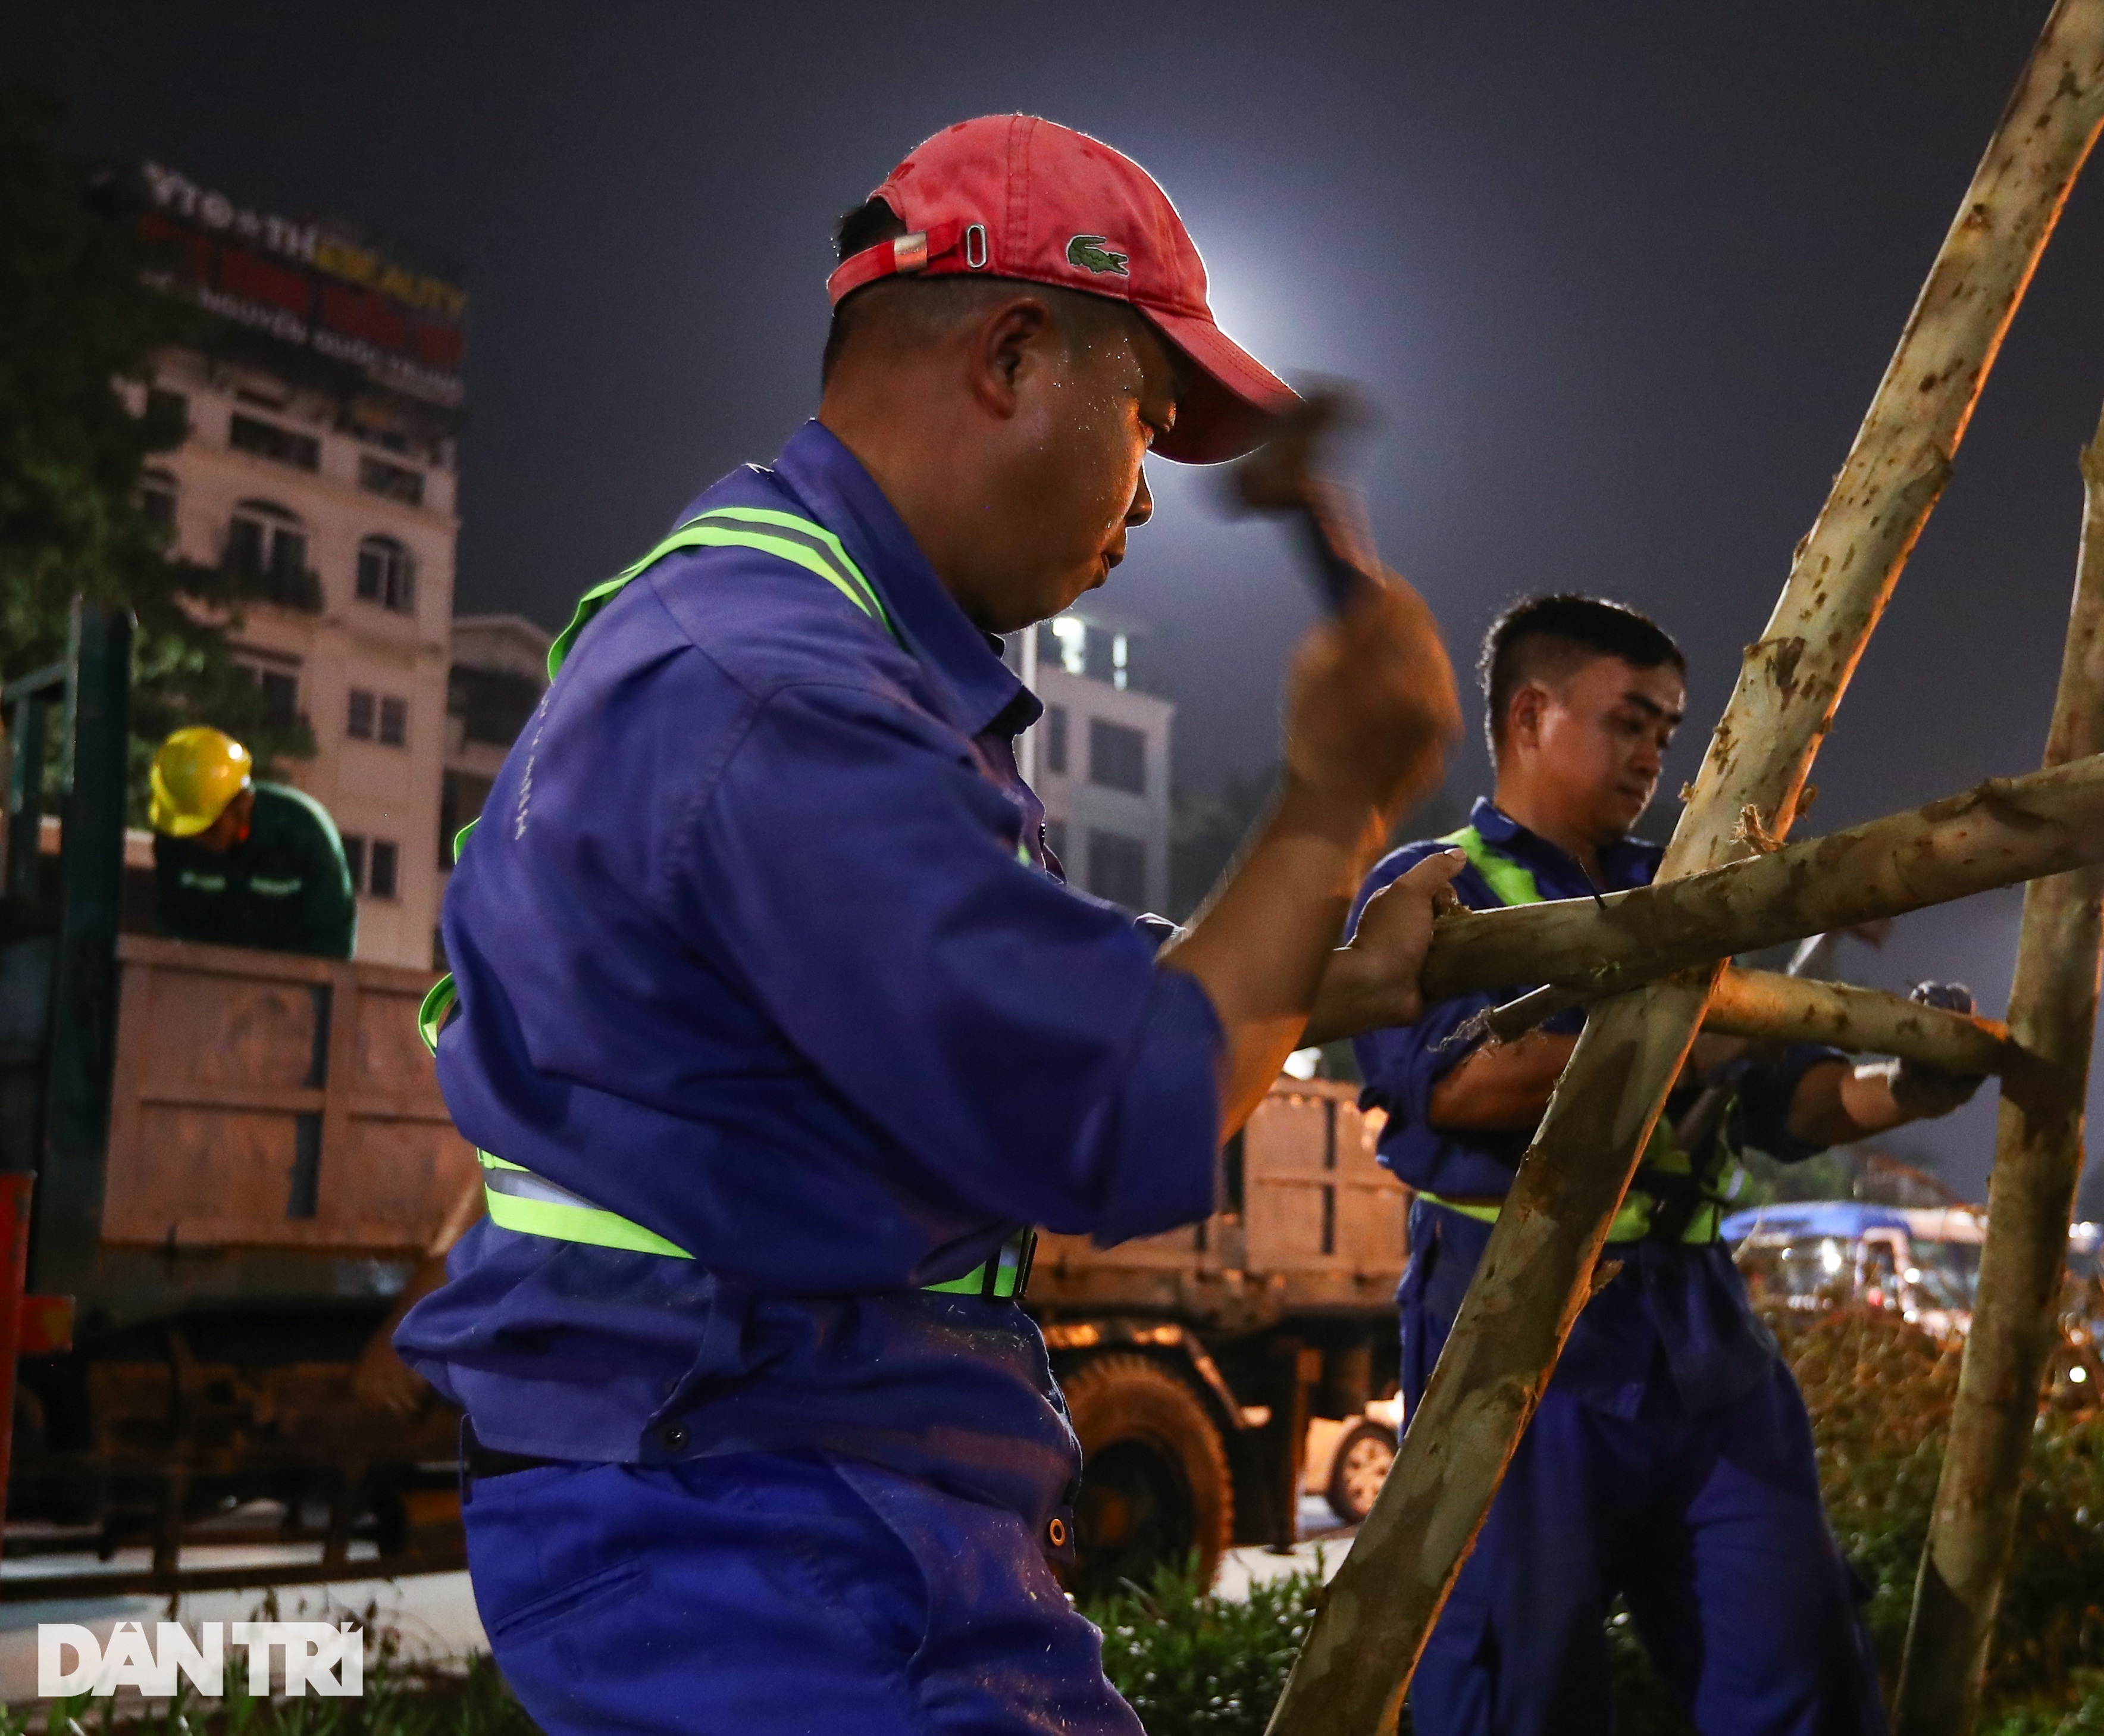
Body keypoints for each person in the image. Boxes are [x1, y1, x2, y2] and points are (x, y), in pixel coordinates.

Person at [392, 115, 1462, 1734]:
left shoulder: (770, 636)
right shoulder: (775, 691)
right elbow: (1108, 1105)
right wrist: (1334, 798)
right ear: (1015, 353)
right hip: (760, 1520)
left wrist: (1318, 954)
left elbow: (946, 989)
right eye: (1145, 417)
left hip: (755, 1485)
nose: (1148, 502)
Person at [1350, 594, 1983, 1736]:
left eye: (1666, 729)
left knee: (1793, 1653)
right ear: (1530, 714)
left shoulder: (1693, 890)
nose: (1652, 754)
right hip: (1509, 1323)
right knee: (1516, 1688)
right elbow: (1451, 1085)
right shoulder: (1434, 888)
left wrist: (1907, 1084)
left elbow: (1787, 1097)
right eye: (1628, 721)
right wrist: (1692, 1033)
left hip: (1699, 1334)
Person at [147, 725, 355, 959]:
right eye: (188, 830)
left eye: (210, 827)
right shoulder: (173, 839)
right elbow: (172, 927)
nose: (198, 839)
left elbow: (333, 943)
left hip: (289, 987)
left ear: (243, 803)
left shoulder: (304, 833)